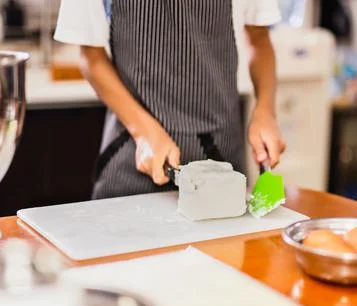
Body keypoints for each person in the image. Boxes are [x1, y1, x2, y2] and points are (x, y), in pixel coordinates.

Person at [54, 0, 286, 199]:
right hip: (133, 156)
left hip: (221, 161)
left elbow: (259, 39)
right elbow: (91, 57)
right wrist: (143, 132)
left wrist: (265, 110)